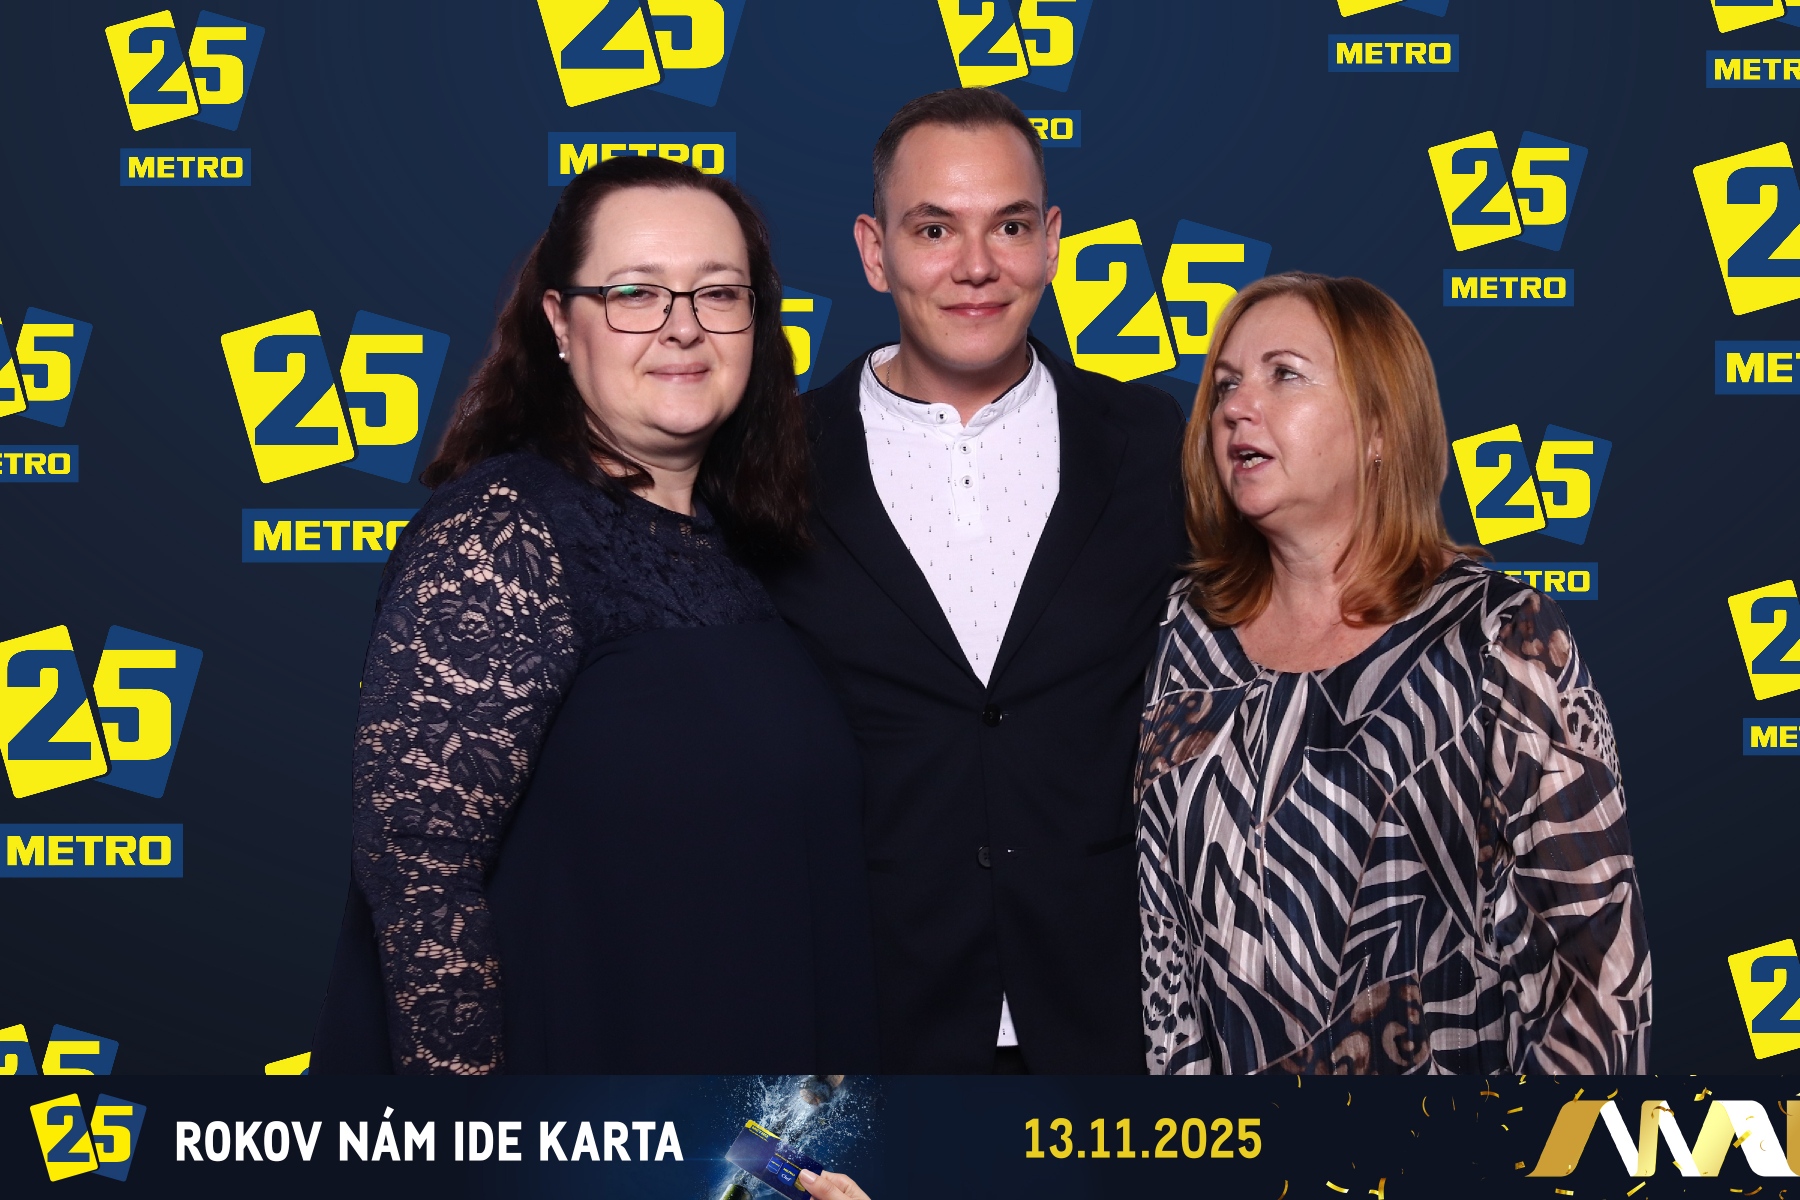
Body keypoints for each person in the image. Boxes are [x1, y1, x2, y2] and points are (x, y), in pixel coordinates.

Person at [310, 153, 879, 1075]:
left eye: (718, 294)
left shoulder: (740, 546)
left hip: (746, 1123)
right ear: (559, 322)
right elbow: (419, 871)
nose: (683, 327)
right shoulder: (505, 532)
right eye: (635, 293)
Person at [758, 88, 1187, 1073]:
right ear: (875, 252)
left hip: (1112, 1019)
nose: (977, 266)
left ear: (1053, 242)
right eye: (934, 229)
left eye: (1010, 226)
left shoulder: (1151, 442)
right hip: (867, 1021)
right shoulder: (774, 461)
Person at [1137, 272, 1651, 1075]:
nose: (1237, 407)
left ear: (1380, 428)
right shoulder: (1185, 632)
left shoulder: (1496, 635)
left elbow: (1597, 973)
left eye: (1284, 375)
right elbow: (1163, 948)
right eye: (1227, 383)